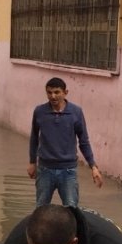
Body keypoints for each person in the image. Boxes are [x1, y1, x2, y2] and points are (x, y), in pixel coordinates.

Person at [28, 77, 102, 206]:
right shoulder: (39, 112)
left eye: (57, 92)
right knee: (40, 210)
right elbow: (34, 137)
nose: (53, 96)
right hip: (45, 169)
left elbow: (83, 141)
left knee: (71, 209)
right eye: (49, 92)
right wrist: (32, 162)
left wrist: (93, 166)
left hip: (68, 171)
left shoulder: (76, 112)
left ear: (65, 92)